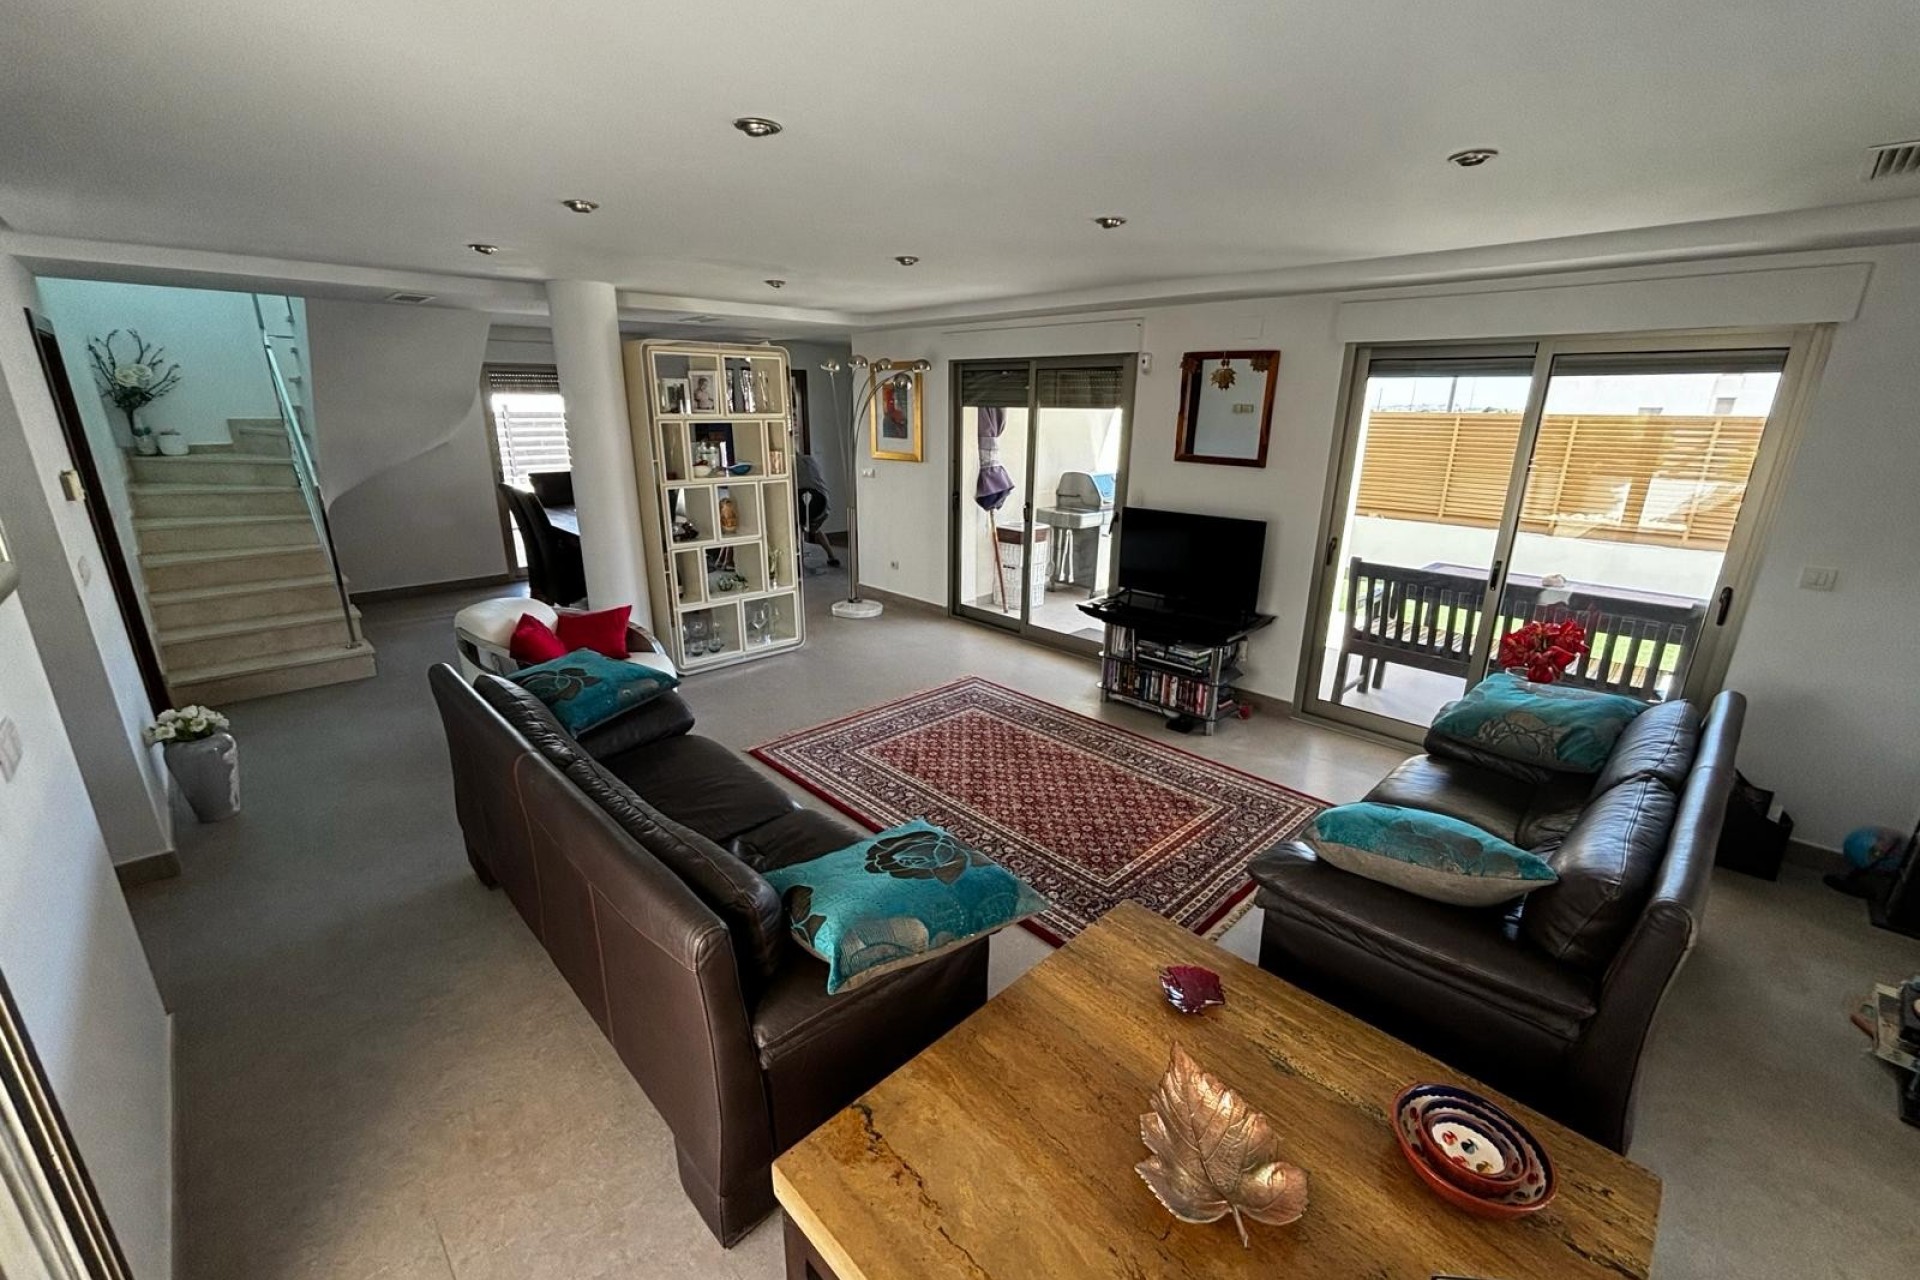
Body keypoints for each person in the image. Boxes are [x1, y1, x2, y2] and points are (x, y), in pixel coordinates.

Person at [793, 452, 840, 568]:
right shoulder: (810, 460)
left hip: (803, 500)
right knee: (815, 528)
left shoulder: (791, 463)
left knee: (795, 528)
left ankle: (797, 561)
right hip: (822, 501)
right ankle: (831, 556)